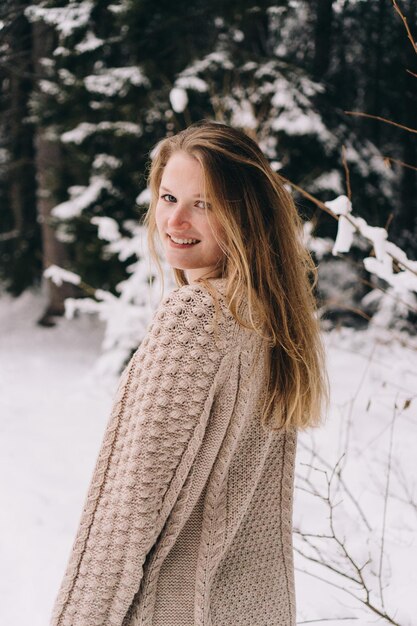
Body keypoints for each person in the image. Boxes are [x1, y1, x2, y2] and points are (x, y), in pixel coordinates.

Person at [50, 120, 329, 626]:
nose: (175, 221)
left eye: (204, 204)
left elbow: (127, 511)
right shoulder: (271, 314)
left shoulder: (197, 317)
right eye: (168, 197)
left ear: (246, 215)